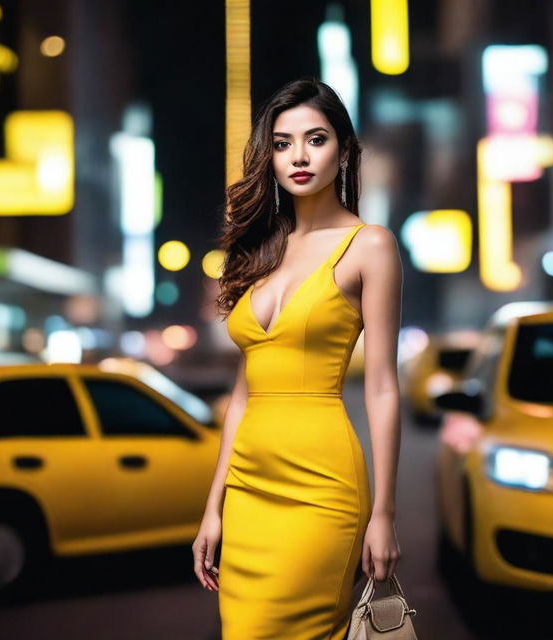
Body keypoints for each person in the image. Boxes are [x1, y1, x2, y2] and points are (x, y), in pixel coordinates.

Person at [192, 76, 403, 639]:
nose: (299, 156)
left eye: (316, 139)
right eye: (283, 143)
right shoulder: (260, 250)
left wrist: (383, 513)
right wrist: (214, 506)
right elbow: (242, 396)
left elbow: (382, 387)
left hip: (322, 487)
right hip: (247, 490)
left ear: (345, 150)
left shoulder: (370, 246)